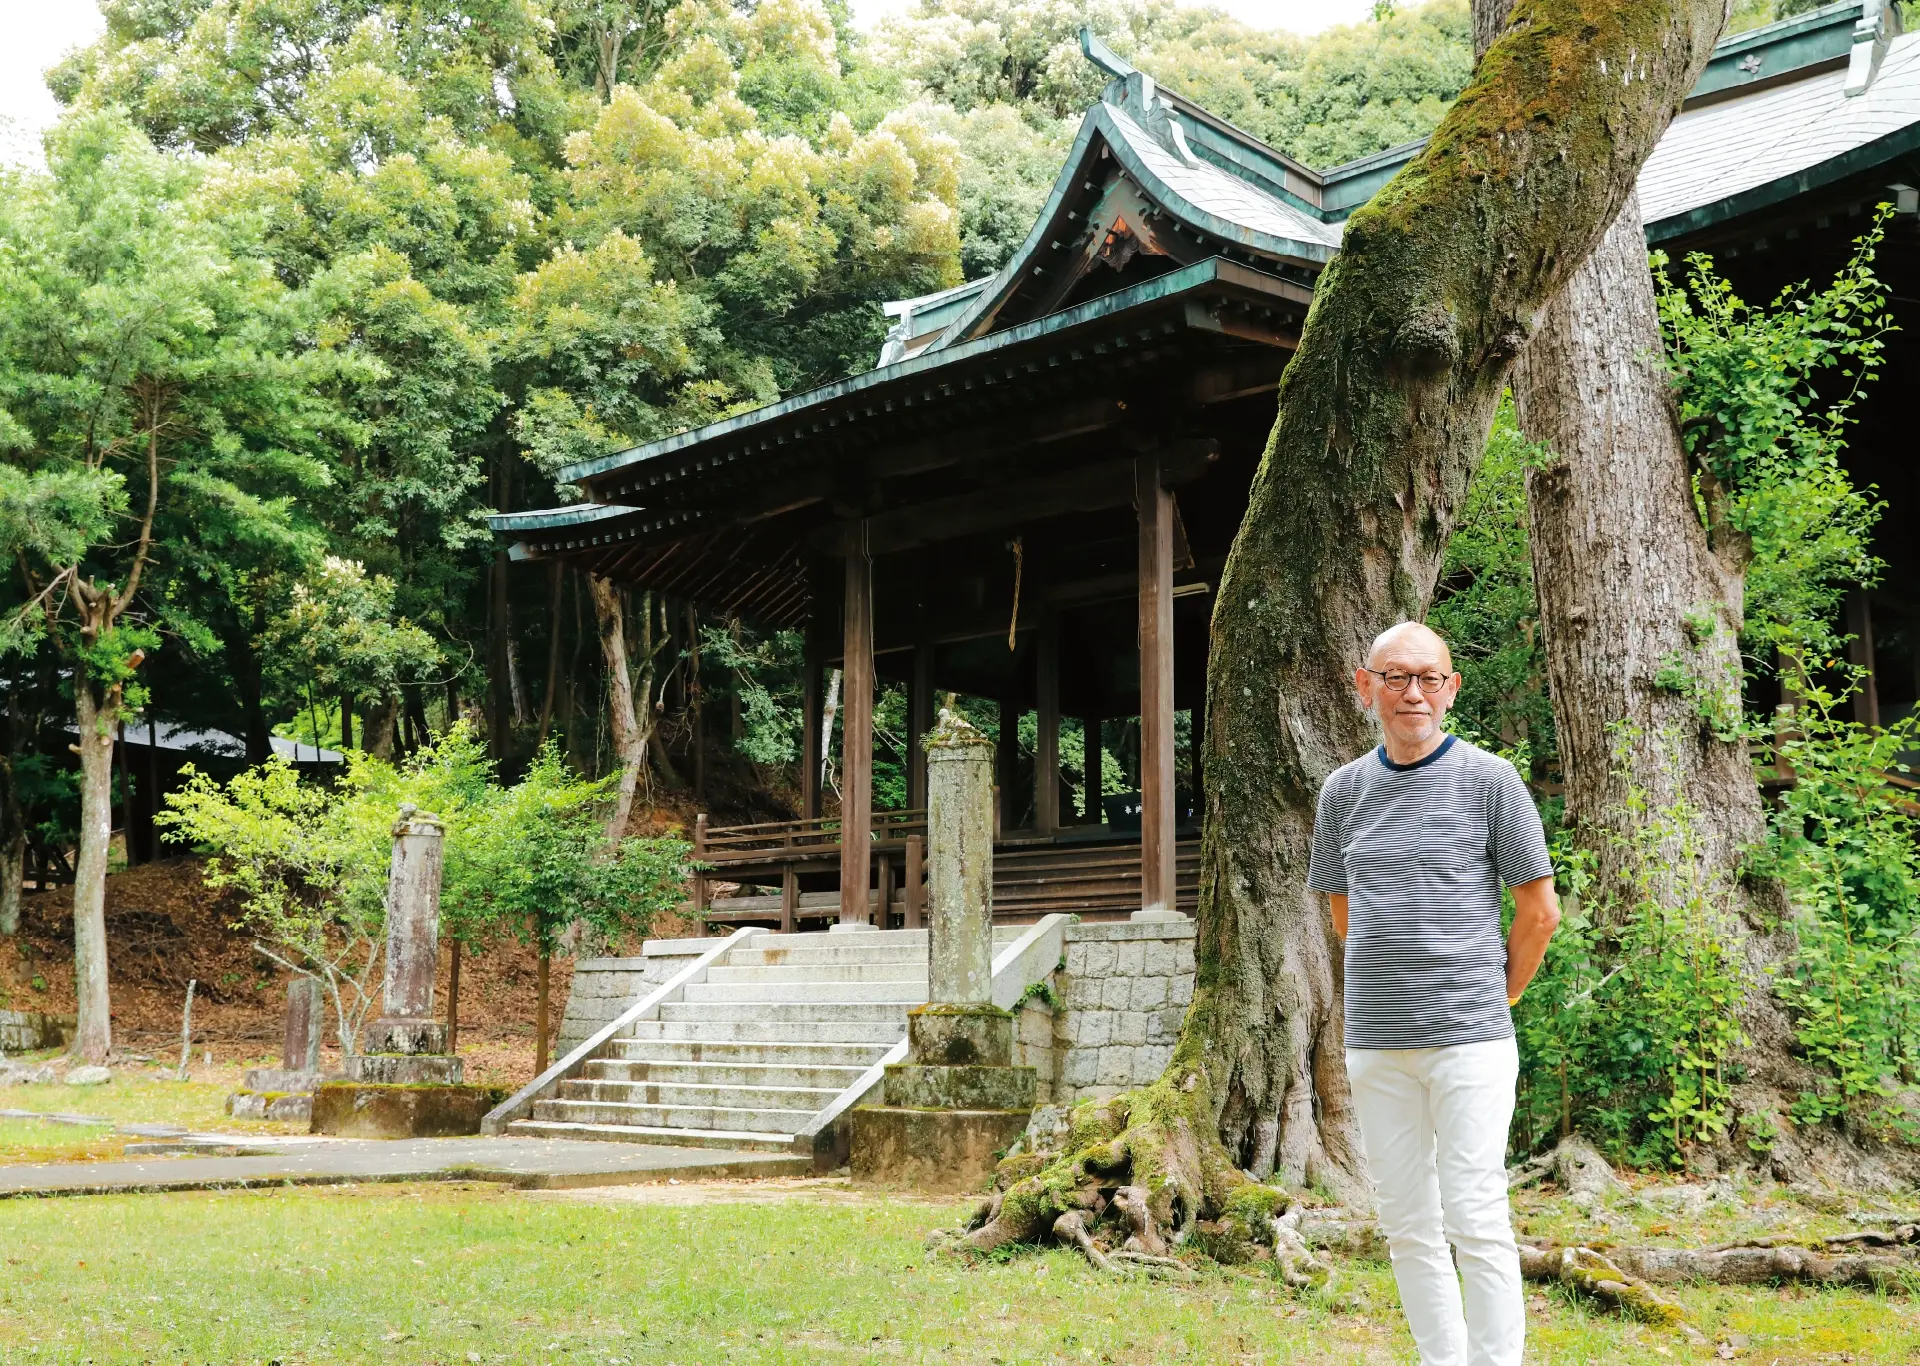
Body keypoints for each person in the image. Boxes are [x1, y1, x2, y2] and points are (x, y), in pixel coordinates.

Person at [1307, 621, 1560, 1366]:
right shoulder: (1342, 791)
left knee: (1476, 1214)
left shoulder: (1492, 781)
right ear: (1366, 687)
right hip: (1377, 1043)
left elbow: (1539, 910)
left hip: (1471, 1039)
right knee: (1406, 1222)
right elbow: (1341, 907)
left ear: (1450, 689)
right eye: (1395, 677)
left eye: (1427, 678)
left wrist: (1496, 994)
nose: (1411, 692)